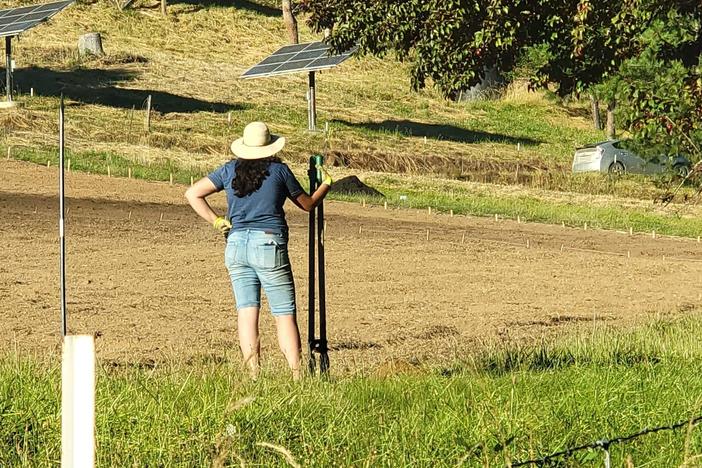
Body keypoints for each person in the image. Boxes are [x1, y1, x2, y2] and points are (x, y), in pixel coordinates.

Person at [185, 121, 332, 380]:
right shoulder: (279, 171)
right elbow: (307, 205)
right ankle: (297, 377)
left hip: (236, 245)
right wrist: (325, 186)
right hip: (268, 244)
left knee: (247, 312)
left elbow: (193, 193)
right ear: (270, 147)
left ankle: (253, 375)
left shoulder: (229, 170)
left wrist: (218, 221)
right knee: (284, 313)